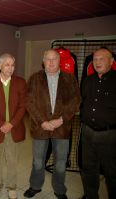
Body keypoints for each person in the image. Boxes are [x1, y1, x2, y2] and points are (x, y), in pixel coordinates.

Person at [24, 49, 81, 199]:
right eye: (47, 59)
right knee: (37, 161)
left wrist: (61, 120)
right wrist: (42, 122)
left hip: (62, 128)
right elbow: (29, 102)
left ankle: (60, 189)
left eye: (54, 59)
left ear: (59, 61)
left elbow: (75, 102)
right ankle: (35, 186)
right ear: (43, 61)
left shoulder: (70, 79)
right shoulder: (34, 79)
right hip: (40, 127)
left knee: (61, 162)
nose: (50, 62)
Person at [0, 53, 27, 199]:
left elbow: (23, 106)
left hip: (15, 130)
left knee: (12, 161)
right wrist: (1, 124)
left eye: (13, 65)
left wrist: (11, 124)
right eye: (7, 64)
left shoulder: (21, 82)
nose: (10, 68)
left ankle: (11, 187)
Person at [80, 48, 116, 199]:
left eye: (102, 59)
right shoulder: (88, 80)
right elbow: (83, 102)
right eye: (95, 59)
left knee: (112, 171)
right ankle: (90, 195)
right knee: (88, 168)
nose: (97, 62)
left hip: (109, 135)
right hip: (87, 132)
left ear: (111, 61)